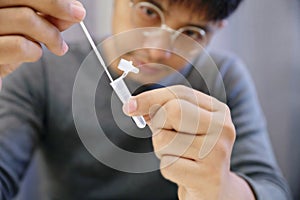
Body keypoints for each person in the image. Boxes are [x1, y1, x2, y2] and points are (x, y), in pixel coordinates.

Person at [0, 0, 292, 199]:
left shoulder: (223, 78)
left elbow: (273, 190)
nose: (157, 51)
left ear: (218, 29)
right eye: (149, 11)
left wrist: (223, 189)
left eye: (191, 32)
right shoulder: (42, 67)